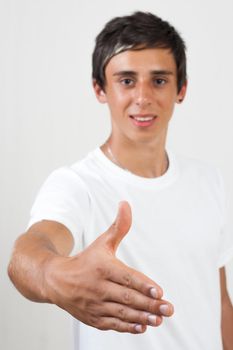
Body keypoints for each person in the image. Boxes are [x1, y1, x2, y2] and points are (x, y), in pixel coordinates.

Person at [8, 11, 233, 349]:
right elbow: (27, 256)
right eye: (126, 80)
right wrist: (56, 275)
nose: (143, 97)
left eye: (159, 80)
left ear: (181, 89)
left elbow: (220, 304)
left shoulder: (209, 180)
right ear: (100, 88)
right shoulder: (76, 184)